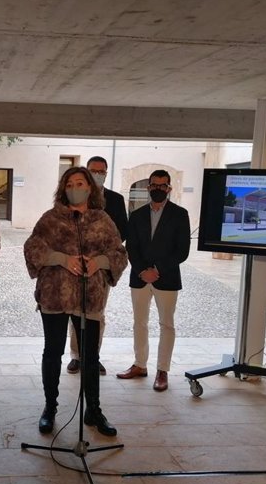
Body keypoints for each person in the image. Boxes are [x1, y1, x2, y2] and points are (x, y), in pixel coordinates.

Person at [24, 167, 127, 435]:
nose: (74, 187)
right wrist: (62, 259)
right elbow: (32, 248)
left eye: (80, 183)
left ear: (90, 188)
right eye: (69, 183)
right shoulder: (50, 219)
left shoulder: (102, 220)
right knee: (53, 353)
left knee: (90, 357)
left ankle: (93, 409)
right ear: (63, 188)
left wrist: (98, 263)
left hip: (89, 299)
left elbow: (119, 254)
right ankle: (50, 407)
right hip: (55, 296)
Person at [116, 169, 191, 391]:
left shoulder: (180, 214)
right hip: (139, 278)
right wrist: (142, 271)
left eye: (163, 185)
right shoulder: (137, 215)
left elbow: (182, 251)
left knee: (166, 325)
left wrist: (156, 270)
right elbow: (131, 247)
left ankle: (162, 370)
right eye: (154, 185)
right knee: (139, 323)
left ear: (169, 188)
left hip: (166, 278)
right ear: (148, 187)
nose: (158, 189)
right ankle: (140, 365)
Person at [67, 156, 128, 376]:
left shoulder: (116, 200)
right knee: (76, 310)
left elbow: (122, 231)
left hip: (101, 267)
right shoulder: (73, 197)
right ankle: (76, 356)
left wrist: (102, 255)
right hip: (75, 264)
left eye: (102, 171)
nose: (98, 174)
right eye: (94, 170)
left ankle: (93, 356)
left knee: (96, 313)